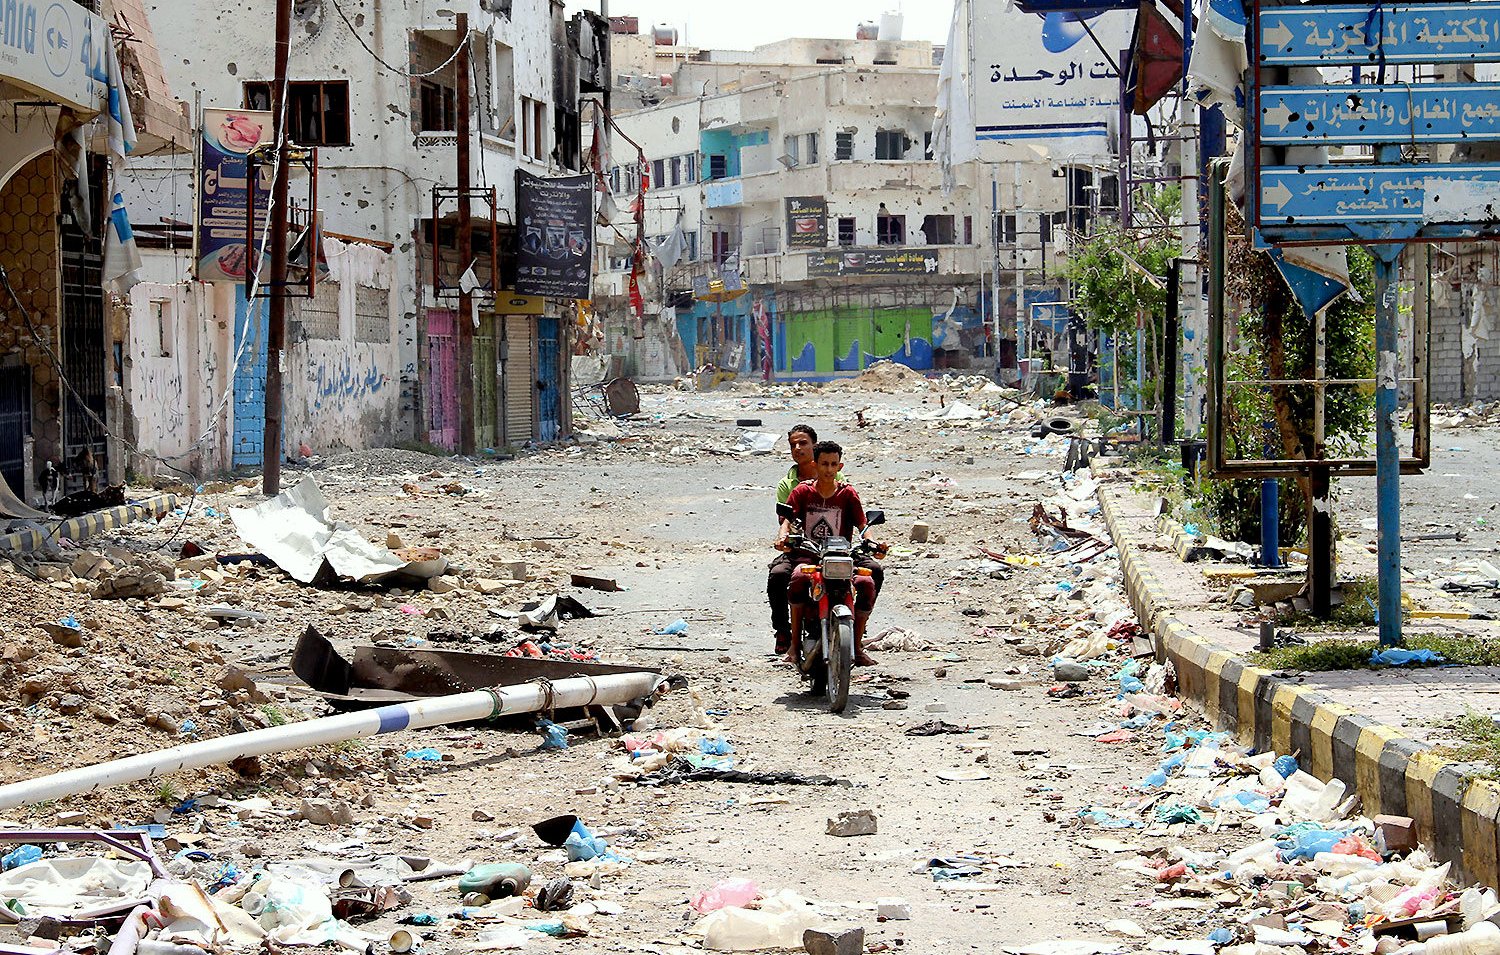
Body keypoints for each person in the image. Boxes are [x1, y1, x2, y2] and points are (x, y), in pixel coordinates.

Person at [780, 441, 884, 667]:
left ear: (840, 466)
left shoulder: (848, 494)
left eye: (833, 464)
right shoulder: (802, 491)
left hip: (842, 555)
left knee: (868, 580)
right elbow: (787, 519)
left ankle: (856, 645)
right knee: (797, 578)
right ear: (815, 465)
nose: (829, 469)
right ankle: (794, 646)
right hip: (810, 554)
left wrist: (873, 542)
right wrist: (783, 537)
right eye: (824, 464)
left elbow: (863, 524)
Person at [766, 423, 830, 654]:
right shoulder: (789, 485)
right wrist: (786, 538)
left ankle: (854, 632)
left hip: (832, 546)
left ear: (815, 445)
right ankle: (783, 630)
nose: (798, 448)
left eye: (803, 443)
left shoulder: (834, 475)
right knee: (778, 576)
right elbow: (785, 521)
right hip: (801, 545)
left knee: (865, 576)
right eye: (793, 445)